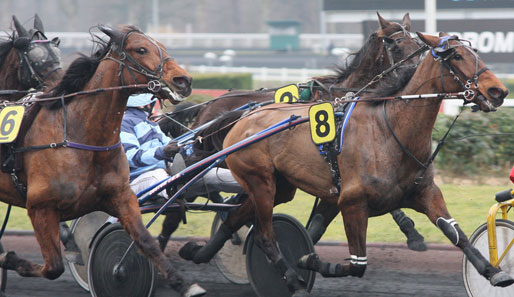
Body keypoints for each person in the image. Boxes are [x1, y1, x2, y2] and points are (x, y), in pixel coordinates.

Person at [120, 93, 244, 249]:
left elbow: (173, 148)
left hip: (168, 176)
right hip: (141, 179)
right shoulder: (125, 123)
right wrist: (163, 152)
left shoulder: (151, 125)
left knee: (212, 174)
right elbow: (130, 157)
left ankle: (247, 184)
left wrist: (194, 146)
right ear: (147, 104)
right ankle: (174, 189)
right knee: (159, 175)